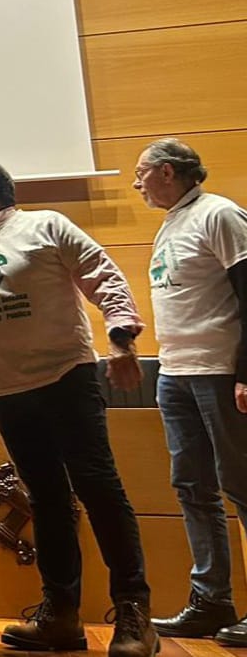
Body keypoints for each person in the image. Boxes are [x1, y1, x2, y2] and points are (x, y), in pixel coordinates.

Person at [0, 160, 156, 657]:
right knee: (45, 499)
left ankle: (134, 614)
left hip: (66, 377)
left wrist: (121, 339)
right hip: (6, 389)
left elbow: (103, 274)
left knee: (99, 489)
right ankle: (60, 615)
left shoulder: (45, 225)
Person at [131, 139, 247, 645]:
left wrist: (245, 372)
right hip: (175, 372)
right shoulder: (173, 221)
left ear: (167, 172)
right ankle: (211, 600)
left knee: (242, 484)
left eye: (141, 173)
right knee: (192, 487)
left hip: (219, 371)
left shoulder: (219, 214)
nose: (136, 183)